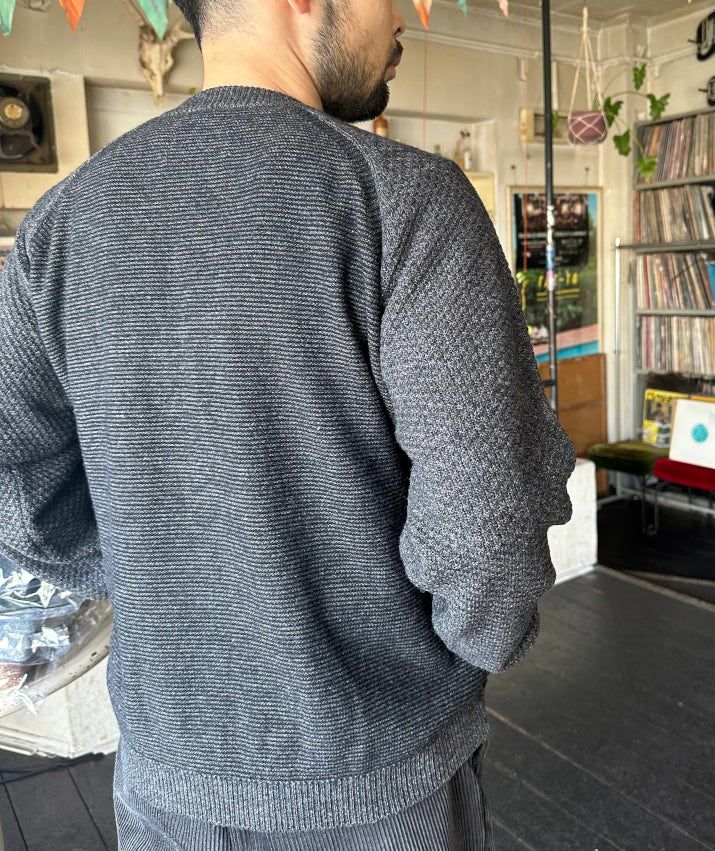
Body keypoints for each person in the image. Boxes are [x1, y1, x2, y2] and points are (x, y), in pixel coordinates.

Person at [0, 0, 577, 848]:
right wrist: (468, 645)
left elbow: (15, 482)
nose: (403, 18)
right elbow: (487, 527)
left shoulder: (62, 224)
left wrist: (155, 568)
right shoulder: (403, 200)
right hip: (379, 787)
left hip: (165, 783)